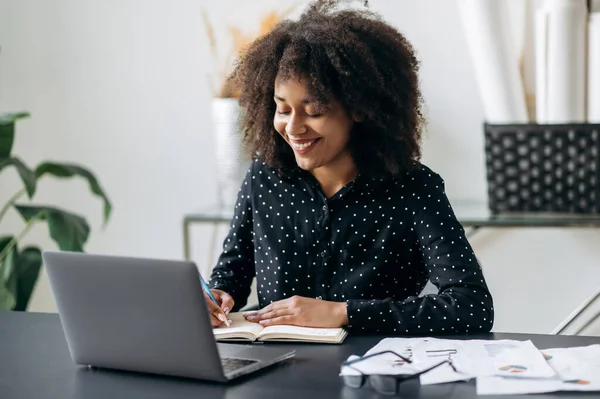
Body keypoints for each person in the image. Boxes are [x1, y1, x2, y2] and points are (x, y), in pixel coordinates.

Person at [206, 0, 494, 335]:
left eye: (313, 111)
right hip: (275, 370)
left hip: (373, 375)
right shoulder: (264, 177)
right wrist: (217, 298)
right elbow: (230, 278)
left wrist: (344, 313)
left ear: (359, 108)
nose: (294, 127)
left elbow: (471, 306)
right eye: (282, 109)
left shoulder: (414, 189)